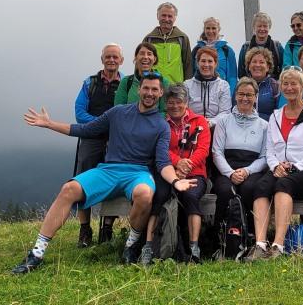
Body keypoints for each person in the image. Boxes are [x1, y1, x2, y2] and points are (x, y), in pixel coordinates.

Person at [11, 73, 198, 273]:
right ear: (138, 90)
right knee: (69, 189)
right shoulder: (117, 113)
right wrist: (49, 124)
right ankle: (37, 254)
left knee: (144, 193)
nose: (149, 93)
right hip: (109, 170)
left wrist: (176, 181)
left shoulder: (161, 125)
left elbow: (162, 162)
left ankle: (131, 245)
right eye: (146, 88)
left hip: (138, 173)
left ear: (160, 93)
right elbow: (85, 129)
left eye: (154, 89)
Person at [246, 68, 303, 260]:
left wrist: (295, 167)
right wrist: (275, 166)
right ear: (280, 87)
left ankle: (278, 245)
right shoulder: (276, 116)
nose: (289, 87)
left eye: (294, 83)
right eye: (285, 83)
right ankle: (259, 244)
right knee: (261, 186)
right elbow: (270, 149)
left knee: (284, 185)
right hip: (281, 169)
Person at [142, 85, 211, 264]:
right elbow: (160, 148)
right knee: (159, 195)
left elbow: (203, 150)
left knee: (191, 195)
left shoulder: (200, 121)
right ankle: (149, 245)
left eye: (179, 102)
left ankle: (194, 248)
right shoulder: (160, 123)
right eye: (170, 102)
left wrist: (186, 166)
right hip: (167, 172)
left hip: (195, 172)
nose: (174, 106)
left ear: (186, 103)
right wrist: (177, 163)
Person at [72, 43, 124, 248]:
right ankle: (85, 229)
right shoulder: (89, 83)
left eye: (115, 57)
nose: (111, 60)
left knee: (113, 181)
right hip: (91, 138)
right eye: (108, 57)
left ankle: (107, 228)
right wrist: (100, 125)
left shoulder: (126, 84)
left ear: (121, 60)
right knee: (82, 181)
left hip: (116, 140)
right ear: (102, 59)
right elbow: (79, 111)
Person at [211, 77, 269, 255]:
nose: (245, 98)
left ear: (256, 97)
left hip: (251, 169)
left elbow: (265, 156)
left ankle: (250, 238)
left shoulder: (264, 125)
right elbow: (217, 152)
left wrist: (246, 171)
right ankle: (221, 239)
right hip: (227, 168)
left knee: (251, 188)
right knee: (225, 190)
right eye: (242, 94)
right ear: (235, 95)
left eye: (250, 95)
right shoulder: (224, 121)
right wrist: (230, 173)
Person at [144, 2, 193, 85]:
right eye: (163, 15)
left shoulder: (182, 38)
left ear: (175, 18)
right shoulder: (149, 39)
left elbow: (188, 65)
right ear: (157, 16)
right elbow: (141, 64)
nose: (166, 19)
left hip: (175, 89)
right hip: (153, 88)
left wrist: (188, 87)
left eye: (170, 16)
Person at [114, 42, 170, 112]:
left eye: (149, 54)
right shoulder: (126, 82)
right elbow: (118, 110)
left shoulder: (163, 82)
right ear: (136, 57)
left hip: (153, 122)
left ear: (154, 59)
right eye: (142, 53)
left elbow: (165, 112)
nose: (145, 57)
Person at [191, 17, 239, 97]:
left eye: (213, 28)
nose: (210, 31)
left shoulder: (227, 50)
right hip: (200, 93)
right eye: (208, 28)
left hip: (221, 93)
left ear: (218, 30)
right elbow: (192, 73)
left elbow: (233, 76)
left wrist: (229, 94)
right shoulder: (197, 49)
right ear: (204, 30)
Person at [184, 46, 231, 126]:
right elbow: (184, 110)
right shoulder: (187, 85)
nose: (206, 64)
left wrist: (210, 123)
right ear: (198, 63)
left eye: (210, 61)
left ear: (215, 64)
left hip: (215, 127)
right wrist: (197, 123)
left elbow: (225, 112)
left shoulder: (223, 85)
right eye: (203, 61)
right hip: (192, 126)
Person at [237, 12, 284, 80]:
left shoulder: (277, 47)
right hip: (251, 87)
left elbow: (284, 69)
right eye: (259, 26)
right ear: (254, 28)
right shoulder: (245, 47)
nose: (262, 29)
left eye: (265, 26)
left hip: (273, 87)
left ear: (269, 27)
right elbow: (241, 73)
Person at [244, 47, 280, 122]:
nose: (257, 65)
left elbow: (279, 115)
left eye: (261, 62)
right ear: (249, 66)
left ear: (267, 67)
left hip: (268, 130)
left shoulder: (275, 86)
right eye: (254, 61)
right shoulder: (241, 85)